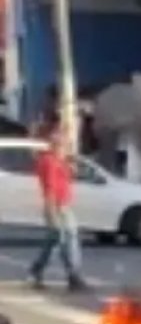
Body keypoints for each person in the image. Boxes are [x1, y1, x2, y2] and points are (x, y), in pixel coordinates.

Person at [27, 122, 88, 291]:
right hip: (58, 206)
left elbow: (68, 178)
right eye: (64, 144)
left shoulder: (58, 161)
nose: (66, 147)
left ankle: (36, 271)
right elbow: (50, 187)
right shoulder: (50, 162)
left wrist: (69, 165)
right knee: (69, 239)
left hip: (62, 205)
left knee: (54, 240)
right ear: (55, 144)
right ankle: (73, 275)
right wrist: (51, 211)